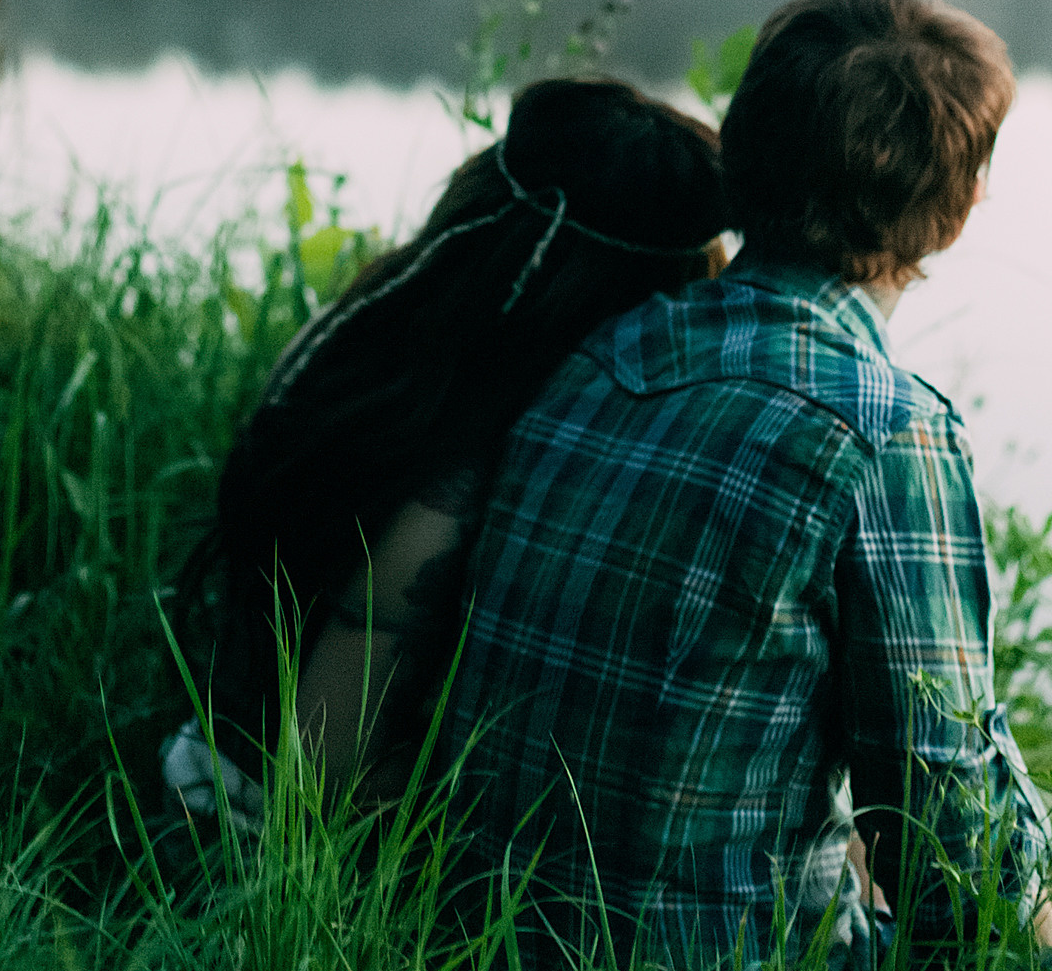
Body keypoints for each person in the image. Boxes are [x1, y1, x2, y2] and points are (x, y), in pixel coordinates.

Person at [442, 0, 1052, 971]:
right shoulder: (882, 427)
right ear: (955, 210)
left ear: (743, 148)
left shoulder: (607, 349)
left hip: (488, 961)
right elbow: (948, 841)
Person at [162, 75, 727, 831]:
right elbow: (324, 773)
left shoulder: (368, 337)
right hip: (255, 839)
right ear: (631, 296)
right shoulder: (440, 505)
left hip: (208, 762)